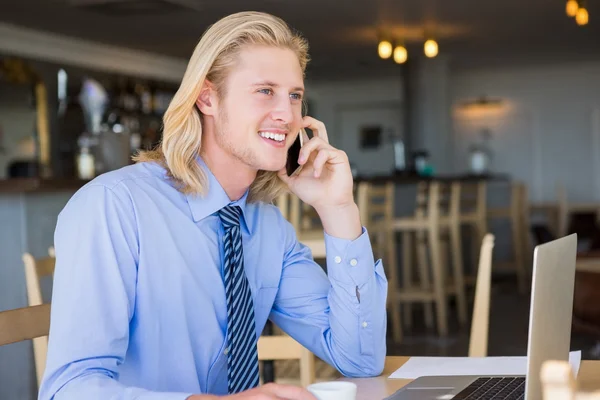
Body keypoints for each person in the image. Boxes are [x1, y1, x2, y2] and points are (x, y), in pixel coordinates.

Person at [39, 11, 387, 400]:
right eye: (265, 91)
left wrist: (338, 209)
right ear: (207, 97)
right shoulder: (114, 208)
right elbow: (68, 390)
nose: (287, 115)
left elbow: (361, 360)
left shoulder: (268, 228)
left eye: (295, 95)